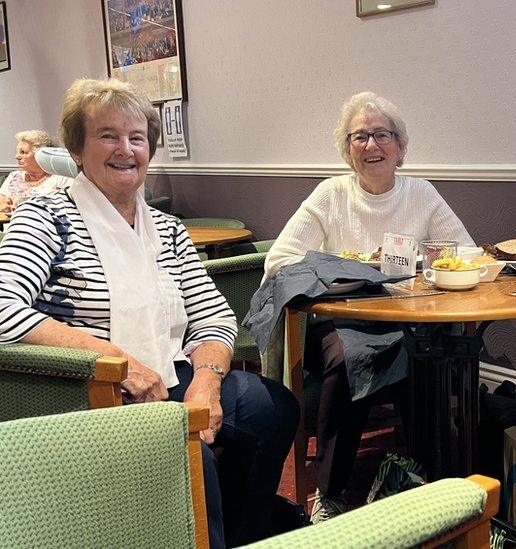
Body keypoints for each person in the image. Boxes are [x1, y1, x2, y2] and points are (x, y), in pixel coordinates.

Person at [0, 78, 299, 548]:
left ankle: (245, 535)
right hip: (85, 387)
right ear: (77, 148)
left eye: (136, 138)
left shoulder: (167, 227)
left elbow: (214, 316)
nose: (125, 149)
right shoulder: (45, 216)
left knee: (272, 408)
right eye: (107, 135)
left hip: (169, 373)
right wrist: (118, 361)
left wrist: (206, 380)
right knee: (182, 451)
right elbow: (3, 308)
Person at [264, 91, 474, 523]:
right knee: (349, 358)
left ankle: (429, 478)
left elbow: (467, 253)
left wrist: (426, 267)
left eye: (382, 135)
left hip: (409, 317)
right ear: (347, 150)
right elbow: (280, 260)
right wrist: (341, 275)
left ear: (400, 147)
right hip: (343, 317)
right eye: (359, 137)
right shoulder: (329, 195)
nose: (371, 145)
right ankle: (331, 490)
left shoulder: (422, 194)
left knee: (426, 353)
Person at [0, 130, 73, 212]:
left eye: (23, 152)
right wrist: (4, 206)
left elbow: (66, 206)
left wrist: (21, 203)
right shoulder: (14, 176)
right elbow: (1, 200)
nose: (17, 156)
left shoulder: (61, 178)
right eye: (17, 152)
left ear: (40, 155)